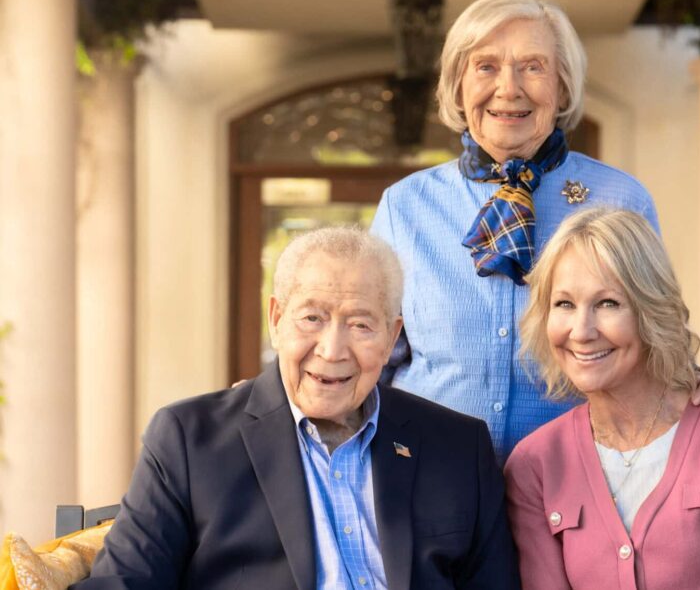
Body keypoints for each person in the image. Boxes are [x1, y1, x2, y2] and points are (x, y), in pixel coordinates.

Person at [371, 0, 700, 462]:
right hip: (430, 477)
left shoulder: (620, 200)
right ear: (458, 85)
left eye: (533, 66)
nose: (509, 88)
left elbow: (656, 344)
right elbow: (372, 351)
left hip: (575, 485)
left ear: (562, 87)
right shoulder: (405, 207)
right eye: (486, 66)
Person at [75, 227, 518, 590]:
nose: (332, 349)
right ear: (276, 320)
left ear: (391, 336)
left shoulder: (457, 445)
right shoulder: (189, 439)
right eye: (312, 318)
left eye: (361, 324)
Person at [504, 208, 700, 589]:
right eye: (564, 304)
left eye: (607, 304)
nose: (581, 331)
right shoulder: (534, 465)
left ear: (650, 311)